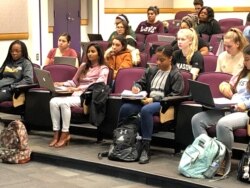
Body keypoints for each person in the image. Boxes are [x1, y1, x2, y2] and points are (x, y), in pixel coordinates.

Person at [118, 45, 184, 164]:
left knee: (146, 110)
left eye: (162, 60)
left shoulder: (176, 75)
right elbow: (140, 82)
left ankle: (145, 148)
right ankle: (119, 141)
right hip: (146, 100)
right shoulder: (151, 70)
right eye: (157, 59)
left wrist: (153, 99)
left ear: (170, 59)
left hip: (163, 104)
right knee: (125, 108)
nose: (158, 62)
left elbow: (175, 95)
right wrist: (136, 87)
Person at [192, 44, 250, 162]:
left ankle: (223, 160)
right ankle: (207, 154)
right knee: (197, 119)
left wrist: (246, 104)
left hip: (245, 112)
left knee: (223, 124)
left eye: (248, 59)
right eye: (244, 59)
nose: (245, 62)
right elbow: (229, 84)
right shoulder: (242, 73)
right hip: (231, 107)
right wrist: (225, 85)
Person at [49, 43, 109, 148]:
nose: (90, 54)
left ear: (99, 54)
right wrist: (61, 83)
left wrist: (77, 89)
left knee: (64, 103)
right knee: (53, 101)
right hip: (75, 94)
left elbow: (98, 85)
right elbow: (74, 81)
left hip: (87, 96)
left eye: (93, 52)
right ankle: (56, 133)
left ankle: (65, 133)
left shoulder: (103, 68)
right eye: (88, 52)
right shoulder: (83, 66)